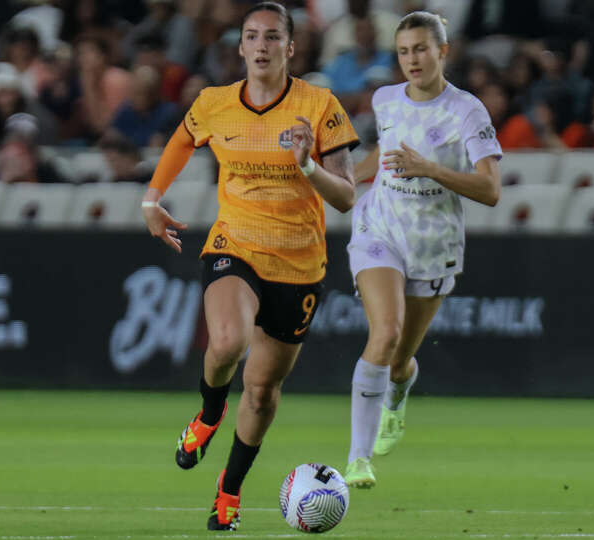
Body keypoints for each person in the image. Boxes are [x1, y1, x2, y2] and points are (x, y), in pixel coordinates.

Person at [140, 2, 359, 531]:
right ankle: (209, 413)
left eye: (272, 37)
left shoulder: (320, 105)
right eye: (251, 36)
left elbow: (348, 197)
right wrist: (152, 198)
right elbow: (181, 140)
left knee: (261, 391)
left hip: (299, 267)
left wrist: (307, 166)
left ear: (290, 47)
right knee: (228, 342)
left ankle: (229, 490)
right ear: (240, 47)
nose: (260, 45)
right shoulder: (215, 103)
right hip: (234, 245)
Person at [342, 11, 502, 489]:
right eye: (404, 51)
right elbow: (386, 155)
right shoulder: (386, 99)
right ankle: (358, 459)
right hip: (380, 228)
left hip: (433, 245)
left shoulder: (467, 111)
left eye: (421, 49)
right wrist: (348, 180)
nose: (411, 59)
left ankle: (398, 392)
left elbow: (491, 190)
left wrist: (429, 169)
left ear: (442, 52)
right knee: (384, 332)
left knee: (398, 358)